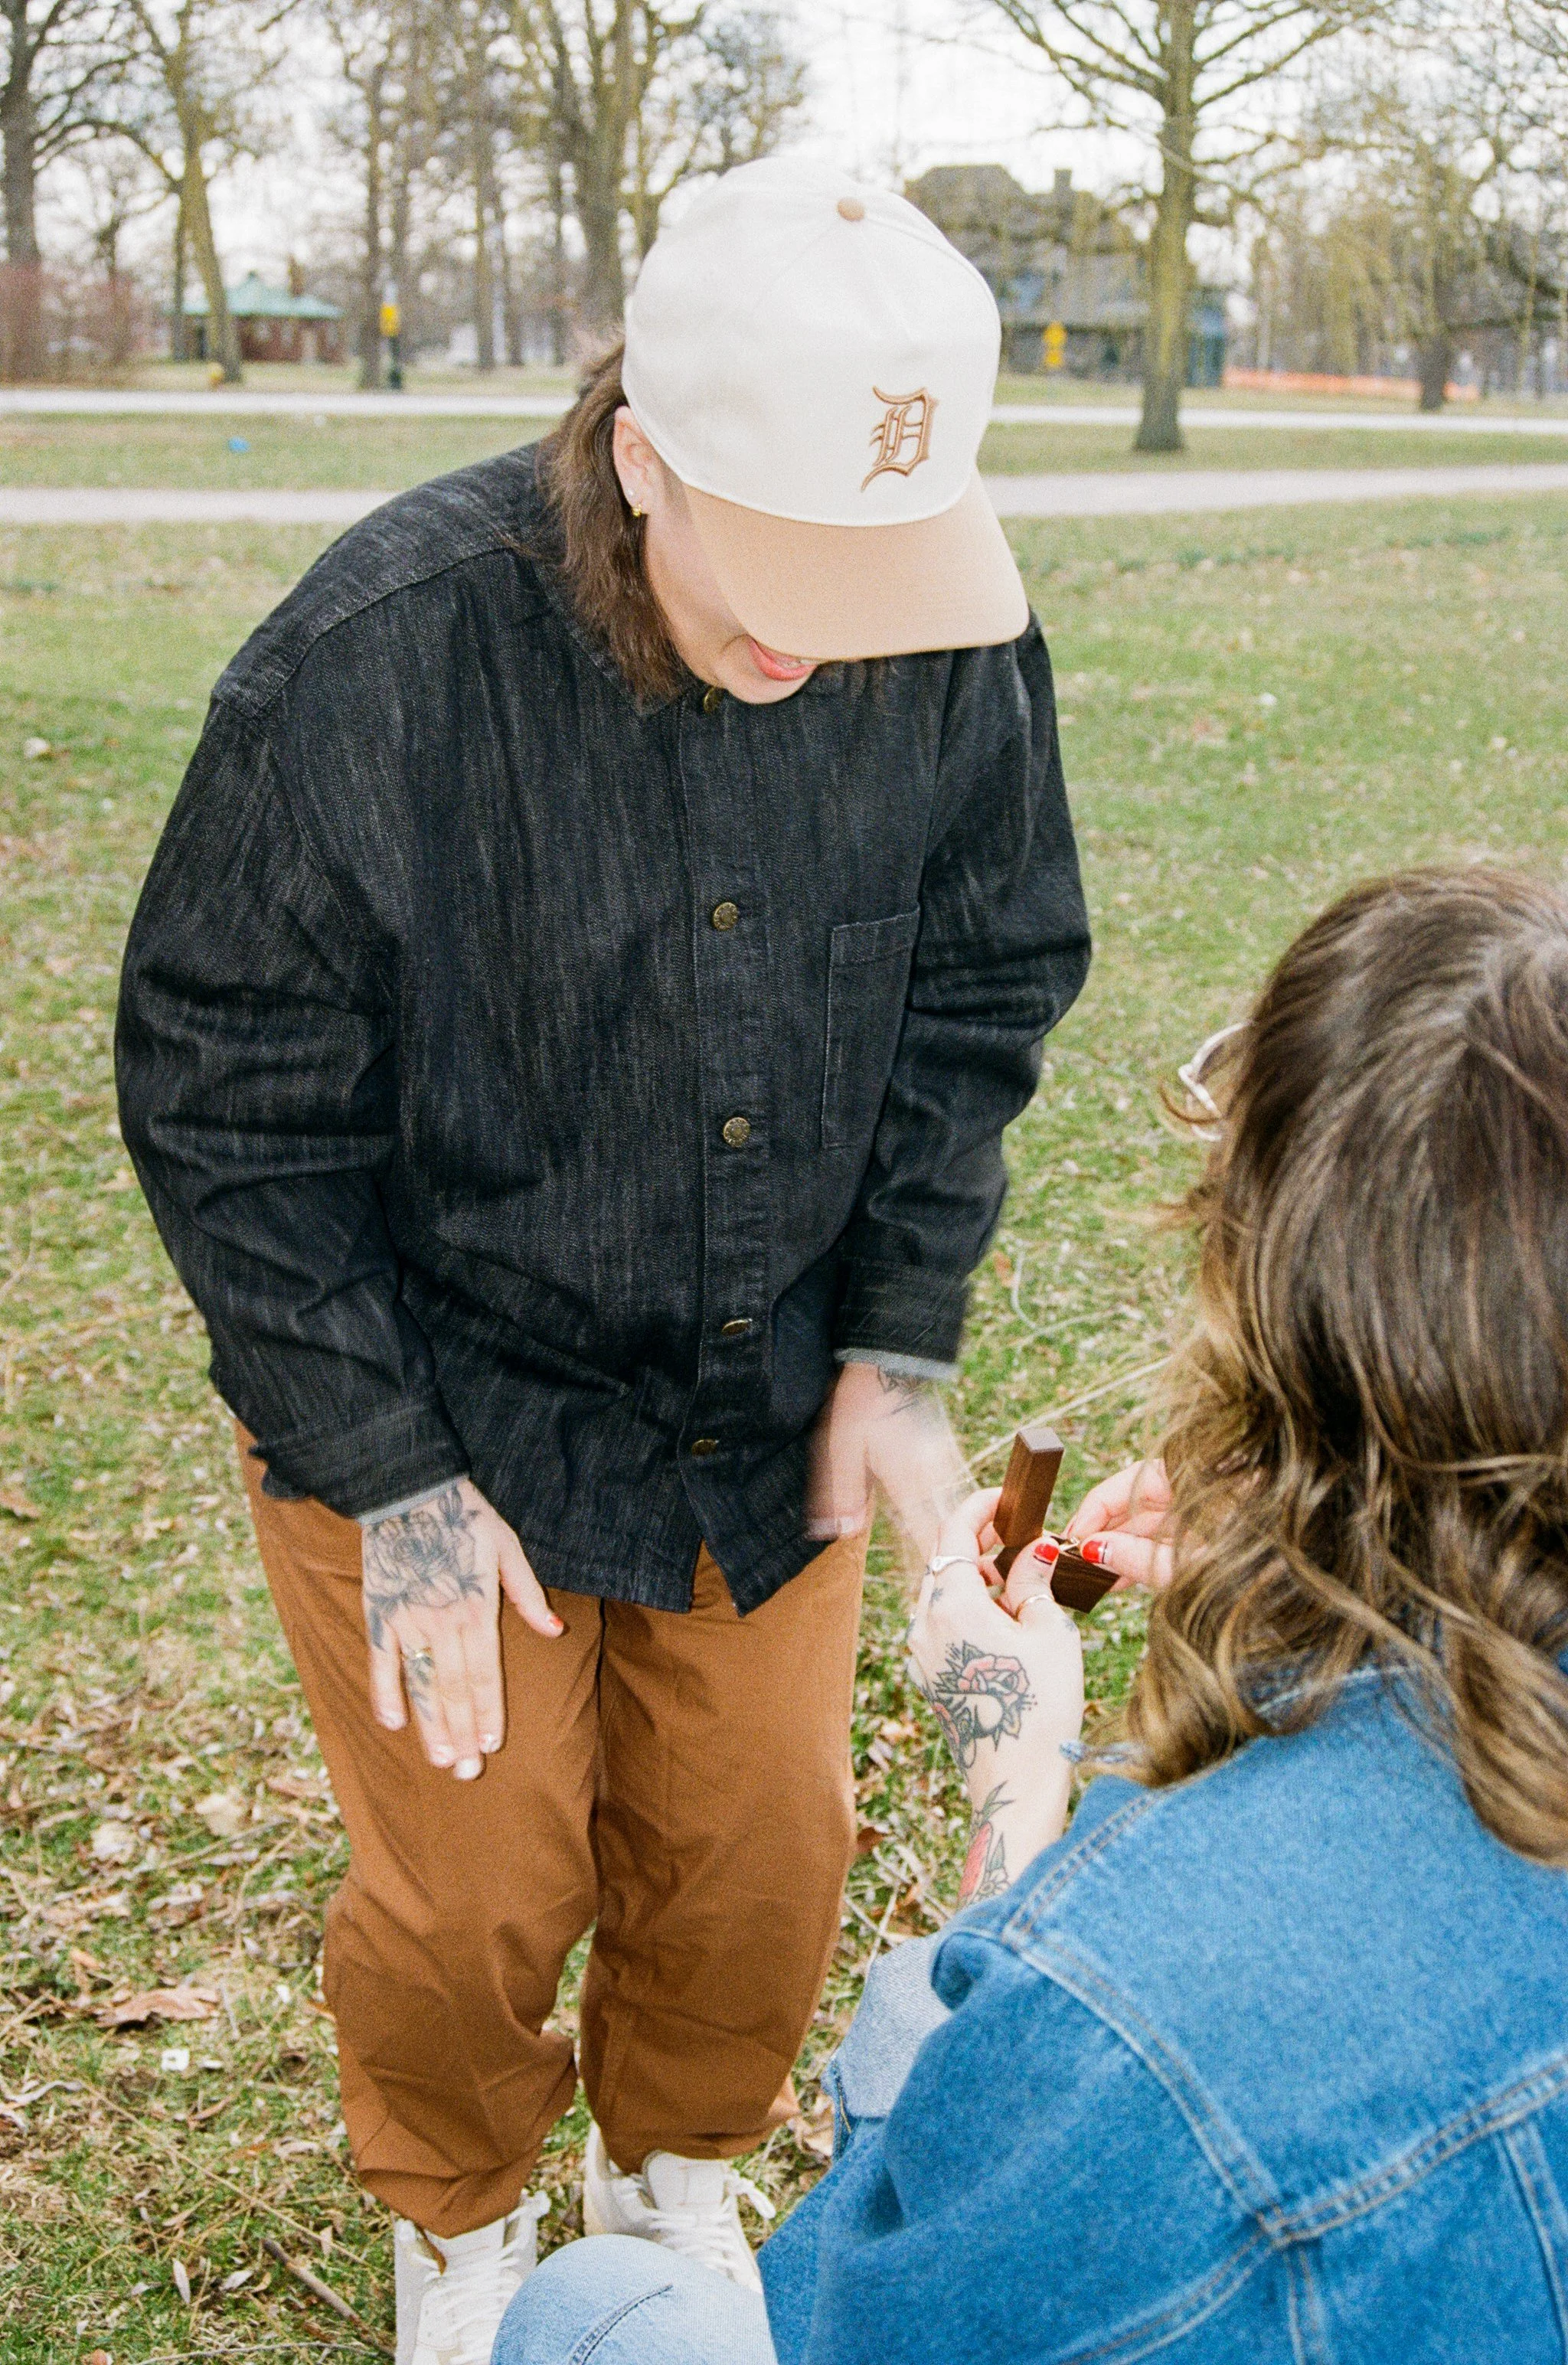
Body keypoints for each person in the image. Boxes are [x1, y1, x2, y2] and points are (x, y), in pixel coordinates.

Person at [113, 157, 1090, 2365]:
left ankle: (666, 2189)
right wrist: (389, 1468)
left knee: (761, 1854)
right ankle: (460, 2224)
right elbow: (220, 1088)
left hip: (772, 1387)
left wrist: (905, 1336)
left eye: (881, 575)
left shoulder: (950, 638)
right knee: (473, 1894)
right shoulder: (368, 666)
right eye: (789, 568)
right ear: (643, 455)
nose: (832, 631)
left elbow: (988, 974)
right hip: (440, 1403)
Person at [494, 866, 1568, 2365]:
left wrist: (1015, 1786)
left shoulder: (1120, 1994)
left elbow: (884, 2310)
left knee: (587, 2305)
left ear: (1284, 1292)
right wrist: (1303, 1584)